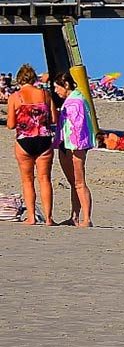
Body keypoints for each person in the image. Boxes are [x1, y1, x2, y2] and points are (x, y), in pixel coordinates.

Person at [10, 65, 57, 226]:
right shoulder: (45, 94)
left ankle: (31, 217)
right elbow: (54, 119)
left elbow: (11, 124)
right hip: (44, 139)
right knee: (45, 179)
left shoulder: (15, 97)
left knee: (27, 180)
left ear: (19, 79)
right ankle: (48, 218)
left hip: (25, 139)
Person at [53, 73, 94, 227]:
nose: (56, 91)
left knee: (79, 182)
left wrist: (76, 147)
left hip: (75, 145)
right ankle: (74, 216)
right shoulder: (70, 100)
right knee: (73, 182)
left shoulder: (77, 100)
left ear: (66, 85)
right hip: (66, 143)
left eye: (57, 87)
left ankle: (86, 218)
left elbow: (79, 126)